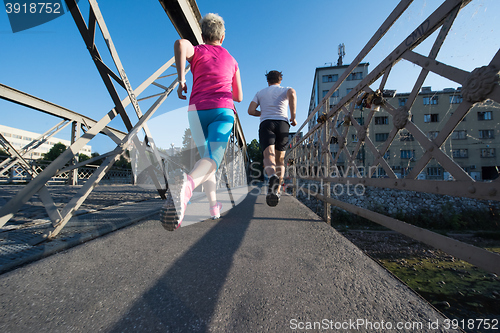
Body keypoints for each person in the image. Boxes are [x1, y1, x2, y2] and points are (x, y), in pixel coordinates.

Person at [161, 13, 243, 231]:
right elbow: (240, 97)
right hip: (222, 111)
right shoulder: (233, 61)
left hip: (196, 111)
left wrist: (182, 79)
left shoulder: (197, 51)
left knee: (207, 160)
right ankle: (186, 188)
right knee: (213, 159)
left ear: (203, 34)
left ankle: (213, 206)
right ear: (222, 37)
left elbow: (180, 44)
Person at [248, 70, 297, 206]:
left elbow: (250, 110)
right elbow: (292, 93)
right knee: (280, 159)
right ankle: (277, 190)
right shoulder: (285, 89)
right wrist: (293, 116)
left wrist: (262, 113)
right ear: (280, 80)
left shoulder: (260, 93)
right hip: (283, 124)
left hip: (266, 124)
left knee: (268, 155)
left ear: (267, 81)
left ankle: (272, 176)